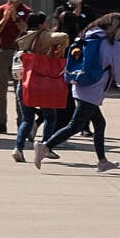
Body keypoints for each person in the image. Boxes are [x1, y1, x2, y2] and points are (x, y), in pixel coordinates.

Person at [35, 11, 120, 171]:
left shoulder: (89, 36)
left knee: (100, 124)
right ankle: (45, 146)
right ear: (116, 28)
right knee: (75, 126)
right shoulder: (112, 44)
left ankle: (103, 161)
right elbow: (119, 68)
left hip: (80, 84)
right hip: (93, 89)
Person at [12, 10, 72, 162]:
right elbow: (64, 37)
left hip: (25, 81)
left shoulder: (23, 36)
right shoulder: (44, 36)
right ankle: (46, 146)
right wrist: (60, 46)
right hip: (42, 83)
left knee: (27, 119)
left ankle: (18, 148)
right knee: (50, 116)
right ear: (41, 24)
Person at [0, 0, 28, 135]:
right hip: (2, 51)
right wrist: (5, 18)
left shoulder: (26, 11)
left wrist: (15, 17)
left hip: (18, 53)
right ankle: (1, 123)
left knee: (19, 90)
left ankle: (22, 123)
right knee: (0, 89)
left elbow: (26, 30)